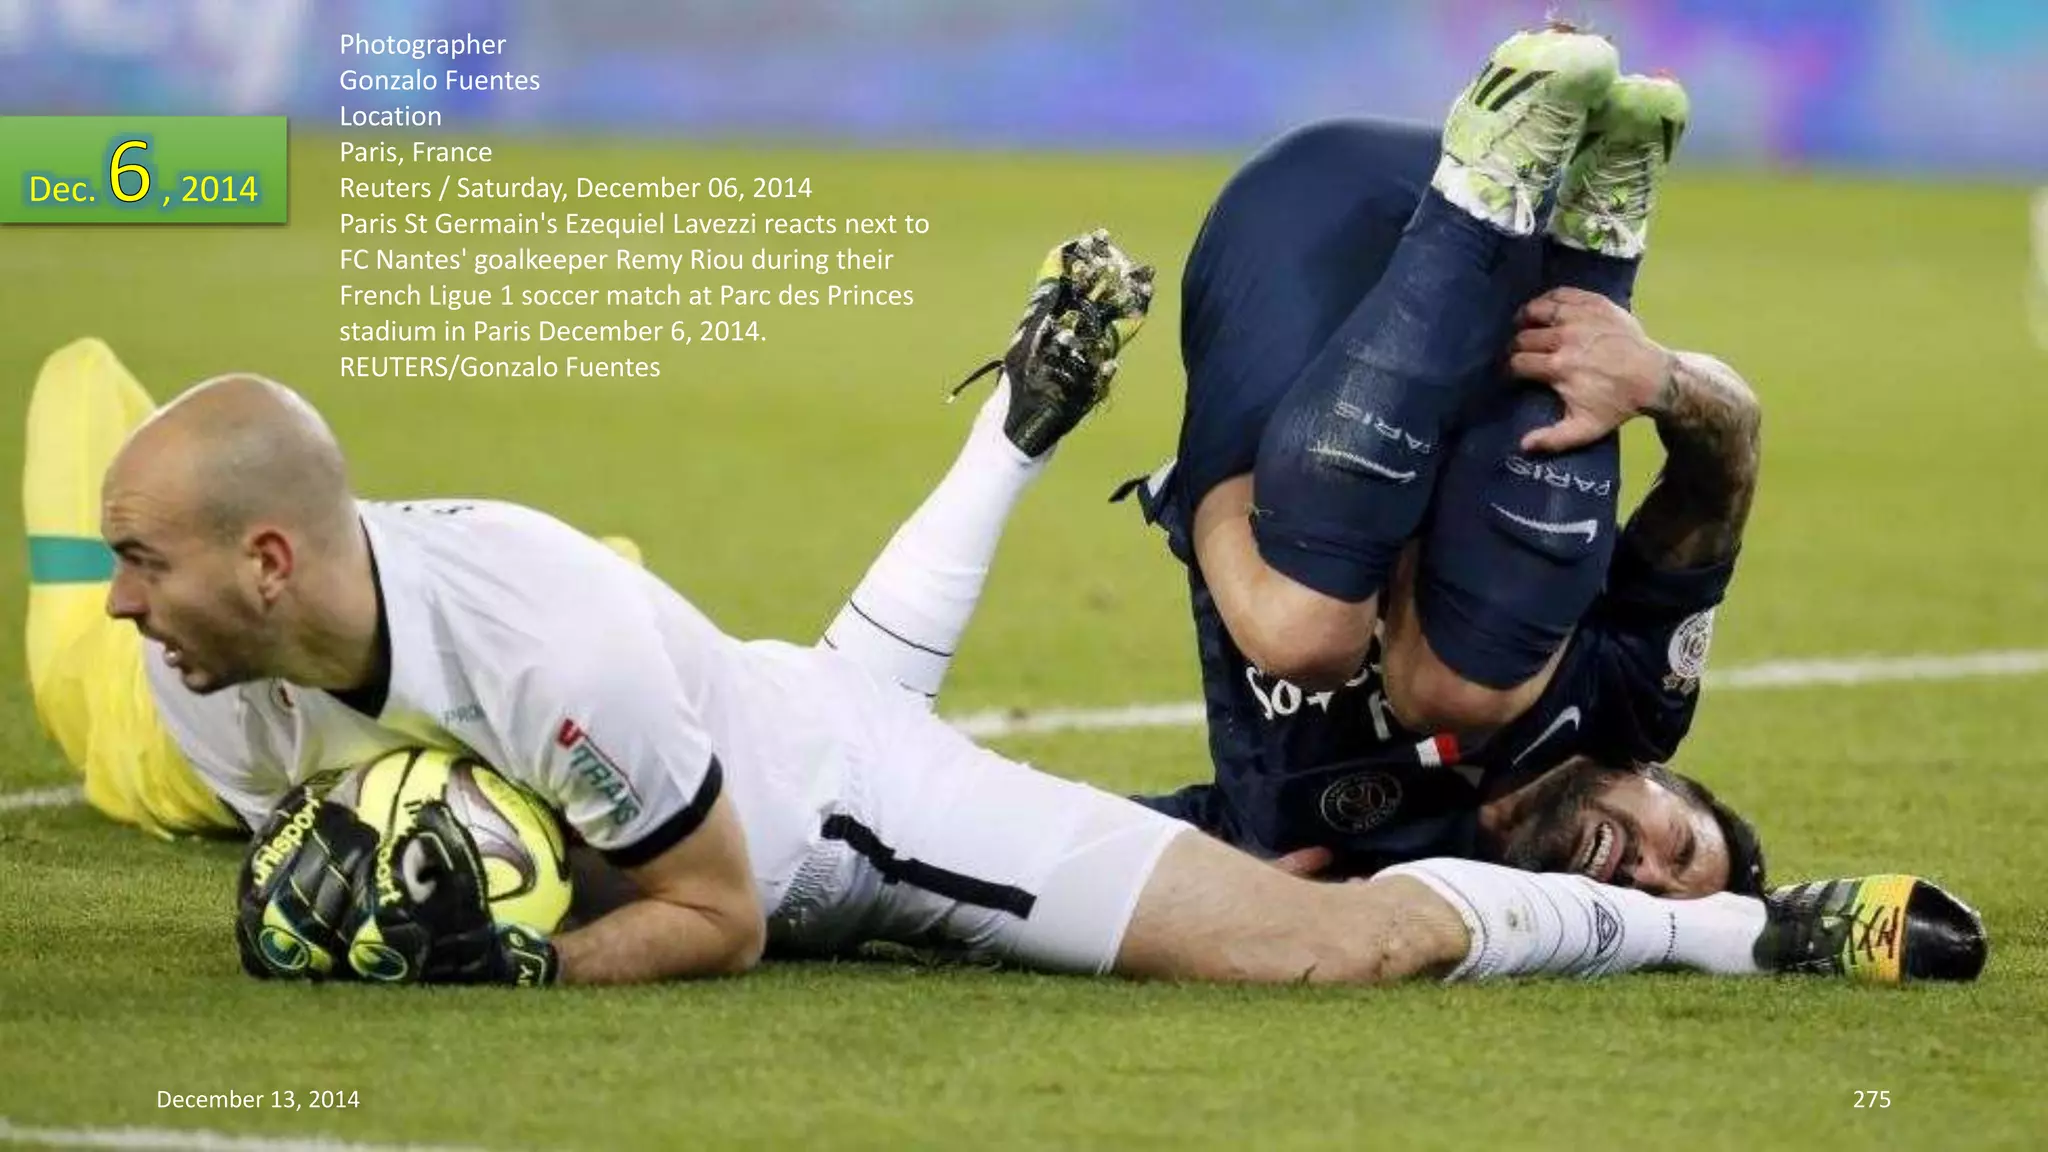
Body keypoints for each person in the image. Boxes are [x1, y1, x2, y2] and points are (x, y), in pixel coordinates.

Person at [824, 30, 1767, 896]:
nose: (1635, 870)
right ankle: (1585, 239)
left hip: (1296, 299)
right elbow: (1730, 450)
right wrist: (1660, 376)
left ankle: (1548, 212)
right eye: (1675, 847)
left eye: (1645, 902)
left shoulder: (1336, 854)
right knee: (1408, 669)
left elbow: (1043, 845)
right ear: (1662, 781)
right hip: (1358, 214)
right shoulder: (1635, 709)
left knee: (1319, 636)